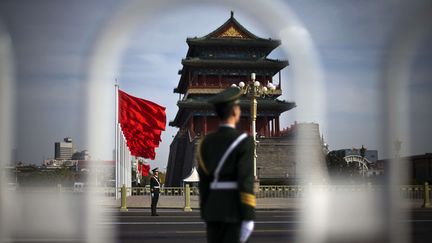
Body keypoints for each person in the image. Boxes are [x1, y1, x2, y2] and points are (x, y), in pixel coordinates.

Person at [197, 87, 255, 243]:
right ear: (235, 112)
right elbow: (245, 181)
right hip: (234, 210)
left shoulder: (204, 143)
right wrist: (248, 216)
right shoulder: (244, 141)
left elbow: (203, 183)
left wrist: (206, 211)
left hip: (213, 211)